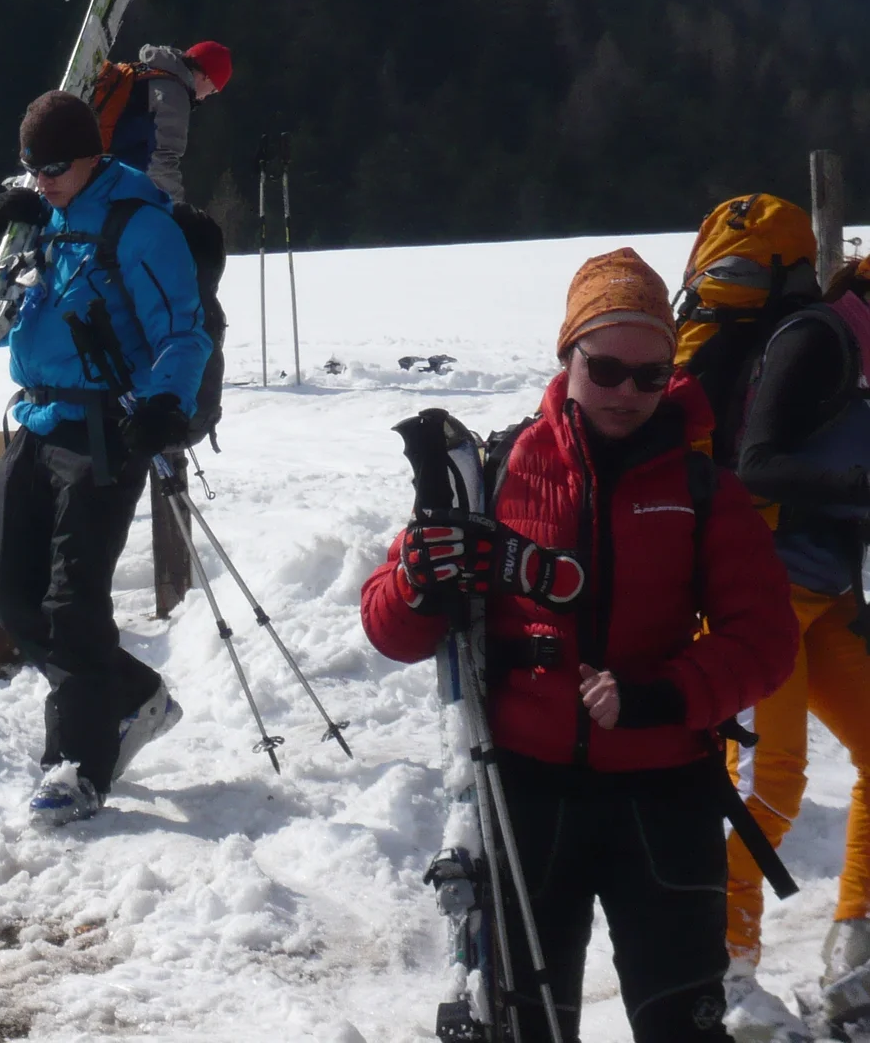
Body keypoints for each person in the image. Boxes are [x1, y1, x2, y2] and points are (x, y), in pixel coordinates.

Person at [361, 248, 799, 1043]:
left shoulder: (702, 487)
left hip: (664, 797)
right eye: (606, 368)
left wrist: (666, 694)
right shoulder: (494, 472)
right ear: (566, 358)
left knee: (684, 1027)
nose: (628, 392)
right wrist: (418, 587)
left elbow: (765, 640)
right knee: (528, 1030)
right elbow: (392, 631)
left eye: (650, 375)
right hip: (523, 797)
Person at [0, 91, 211, 824]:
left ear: (93, 156)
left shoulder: (138, 223)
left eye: (55, 167)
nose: (41, 180)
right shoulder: (39, 215)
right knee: (9, 591)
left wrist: (164, 404)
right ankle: (132, 695)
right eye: (30, 168)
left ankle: (75, 766)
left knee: (74, 601)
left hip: (105, 430)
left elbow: (185, 332)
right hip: (37, 418)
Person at [721, 255, 870, 1033]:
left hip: (830, 595)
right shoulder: (819, 338)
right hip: (763, 592)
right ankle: (722, 973)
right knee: (767, 788)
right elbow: (757, 465)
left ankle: (858, 948)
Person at [90, 40, 232, 202]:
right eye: (212, 90)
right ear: (206, 77)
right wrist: (177, 208)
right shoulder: (176, 97)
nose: (204, 97)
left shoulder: (151, 70)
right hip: (100, 171)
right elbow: (163, 159)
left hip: (92, 146)